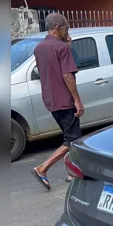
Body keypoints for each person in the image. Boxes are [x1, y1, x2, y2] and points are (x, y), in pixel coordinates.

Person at [31, 13, 83, 191]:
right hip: (65, 100)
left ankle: (71, 172)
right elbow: (67, 75)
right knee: (73, 139)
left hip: (50, 100)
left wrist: (66, 45)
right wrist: (77, 100)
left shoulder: (40, 48)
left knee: (69, 138)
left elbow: (49, 69)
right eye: (66, 28)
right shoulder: (61, 49)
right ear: (58, 27)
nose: (67, 32)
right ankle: (42, 168)